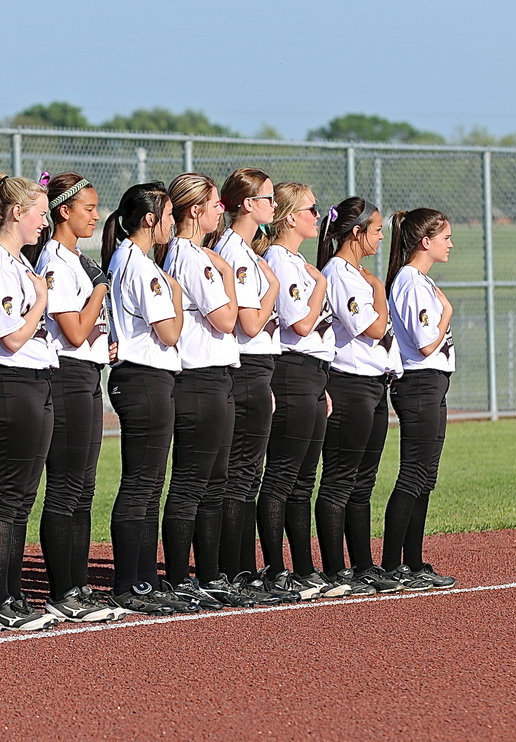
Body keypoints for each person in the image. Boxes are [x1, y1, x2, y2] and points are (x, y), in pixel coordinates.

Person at [0, 172, 59, 631]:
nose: (44, 223)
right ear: (15, 212)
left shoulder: (18, 263)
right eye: (40, 214)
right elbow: (10, 337)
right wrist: (40, 301)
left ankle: (14, 594)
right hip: (12, 383)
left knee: (22, 496)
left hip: (34, 382)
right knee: (8, 494)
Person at [24, 173, 114, 622]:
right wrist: (101, 289)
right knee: (66, 487)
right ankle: (63, 590)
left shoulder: (77, 259)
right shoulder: (55, 262)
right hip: (67, 377)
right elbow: (74, 331)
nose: (95, 215)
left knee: (85, 488)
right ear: (64, 211)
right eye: (87, 207)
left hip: (88, 375)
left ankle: (79, 585)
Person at [100, 182, 192, 616]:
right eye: (169, 215)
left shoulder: (129, 258)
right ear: (150, 219)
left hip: (142, 376)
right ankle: (129, 582)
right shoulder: (138, 264)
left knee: (148, 483)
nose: (173, 224)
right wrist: (173, 287)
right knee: (142, 483)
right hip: (145, 378)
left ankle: (142, 579)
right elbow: (170, 331)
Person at [313, 197, 404, 595]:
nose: (381, 236)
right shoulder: (341, 273)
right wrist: (380, 289)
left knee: (363, 482)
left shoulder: (356, 272)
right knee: (339, 479)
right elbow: (371, 327)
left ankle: (363, 565)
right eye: (376, 229)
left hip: (373, 384)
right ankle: (335, 569)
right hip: (348, 385)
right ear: (356, 232)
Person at [159, 173, 241, 610]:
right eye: (212, 204)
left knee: (213, 482)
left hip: (215, 378)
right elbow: (226, 320)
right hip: (199, 379)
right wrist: (226, 271)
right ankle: (178, 577)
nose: (218, 211)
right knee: (192, 483)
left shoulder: (193, 254)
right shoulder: (193, 258)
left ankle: (207, 574)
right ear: (195, 211)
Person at [256, 184, 338, 601]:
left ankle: (303, 568)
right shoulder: (279, 260)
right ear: (289, 217)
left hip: (313, 374)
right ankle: (275, 568)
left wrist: (321, 384)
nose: (317, 215)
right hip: (292, 371)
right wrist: (321, 283)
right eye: (310, 208)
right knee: (282, 476)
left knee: (304, 479)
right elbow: (300, 325)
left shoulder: (295, 260)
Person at [208, 169, 281, 603]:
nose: (273, 206)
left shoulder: (246, 250)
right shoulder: (235, 251)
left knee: (245, 475)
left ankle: (240, 568)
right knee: (240, 476)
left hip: (257, 369)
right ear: (249, 204)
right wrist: (271, 284)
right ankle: (236, 570)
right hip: (247, 365)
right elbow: (251, 324)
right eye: (267, 198)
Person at [383, 208, 457, 589]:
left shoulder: (419, 280)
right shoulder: (411, 281)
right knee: (413, 473)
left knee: (426, 476)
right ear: (425, 242)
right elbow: (427, 344)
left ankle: (412, 562)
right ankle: (393, 564)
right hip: (419, 384)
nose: (450, 244)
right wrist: (446, 312)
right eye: (444, 237)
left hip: (432, 385)